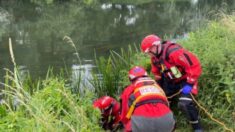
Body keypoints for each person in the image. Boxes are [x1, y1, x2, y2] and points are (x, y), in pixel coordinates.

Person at [140, 34, 203, 132]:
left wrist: (189, 84)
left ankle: (197, 127)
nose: (149, 55)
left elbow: (194, 67)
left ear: (155, 46)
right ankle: (167, 122)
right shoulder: (155, 58)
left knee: (184, 103)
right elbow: (157, 73)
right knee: (160, 100)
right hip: (171, 81)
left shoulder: (174, 52)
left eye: (149, 52)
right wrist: (159, 88)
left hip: (186, 80)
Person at [120, 66, 175, 132]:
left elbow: (125, 115)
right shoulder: (157, 86)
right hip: (167, 121)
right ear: (146, 75)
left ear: (130, 79)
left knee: (128, 126)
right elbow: (167, 104)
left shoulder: (129, 89)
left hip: (143, 124)